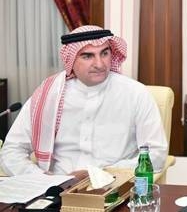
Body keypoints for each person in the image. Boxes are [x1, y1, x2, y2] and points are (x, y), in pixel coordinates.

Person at [0, 25, 168, 176]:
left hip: (115, 187)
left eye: (104, 53)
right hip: (56, 190)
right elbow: (11, 151)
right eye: (87, 56)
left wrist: (100, 175)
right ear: (71, 60)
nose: (100, 64)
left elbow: (156, 155)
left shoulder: (135, 93)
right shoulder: (48, 95)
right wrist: (40, 179)